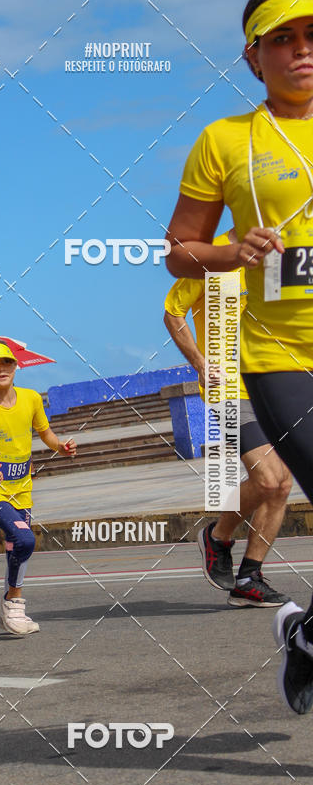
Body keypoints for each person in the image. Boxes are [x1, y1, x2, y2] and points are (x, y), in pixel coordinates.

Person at [166, 0, 313, 712]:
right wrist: (231, 251)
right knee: (277, 480)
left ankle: (306, 636)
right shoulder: (227, 140)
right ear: (254, 58)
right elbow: (178, 255)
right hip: (273, 354)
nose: (302, 50)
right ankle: (236, 557)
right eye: (284, 38)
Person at [164, 230, 292, 606]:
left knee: (280, 485)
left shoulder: (285, 254)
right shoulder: (211, 255)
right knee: (268, 478)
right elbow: (173, 313)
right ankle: (219, 538)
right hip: (229, 387)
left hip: (274, 382)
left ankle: (247, 577)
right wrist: (201, 364)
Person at [0, 338, 76, 635]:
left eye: (6, 362)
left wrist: (60, 446)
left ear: (16, 365)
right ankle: (13, 602)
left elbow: (44, 432)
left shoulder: (32, 398)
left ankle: (11, 611)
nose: (1, 368)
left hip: (23, 487)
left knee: (15, 547)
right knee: (25, 540)